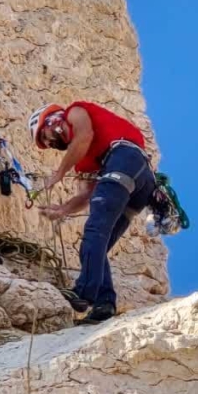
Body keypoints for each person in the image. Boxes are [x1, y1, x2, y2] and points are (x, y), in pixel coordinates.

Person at [28, 101, 157, 324]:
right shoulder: (84, 162)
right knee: (96, 245)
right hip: (139, 182)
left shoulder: (75, 111)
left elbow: (84, 136)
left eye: (44, 135)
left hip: (123, 159)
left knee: (94, 232)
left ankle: (83, 292)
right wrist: (64, 209)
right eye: (45, 143)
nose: (49, 143)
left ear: (53, 120)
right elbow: (86, 195)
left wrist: (59, 173)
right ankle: (104, 304)